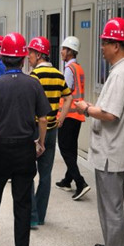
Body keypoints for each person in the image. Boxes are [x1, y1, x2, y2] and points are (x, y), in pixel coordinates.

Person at [0, 32, 51, 246]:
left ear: (3, 56)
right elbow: (43, 119)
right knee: (22, 204)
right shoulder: (33, 84)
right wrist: (41, 142)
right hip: (24, 151)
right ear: (23, 58)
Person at [74, 17, 124, 246]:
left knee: (112, 209)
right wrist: (94, 107)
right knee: (111, 206)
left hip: (112, 152)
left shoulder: (121, 74)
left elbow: (111, 114)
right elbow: (111, 108)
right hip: (116, 150)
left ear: (117, 45)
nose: (101, 48)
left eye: (105, 43)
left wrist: (86, 109)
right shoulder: (123, 70)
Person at [27, 36, 73, 228]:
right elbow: (69, 97)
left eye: (30, 53)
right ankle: (40, 216)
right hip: (52, 130)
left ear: (39, 54)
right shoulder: (59, 75)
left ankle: (31, 217)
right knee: (45, 175)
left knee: (28, 173)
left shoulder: (34, 76)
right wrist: (62, 117)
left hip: (35, 131)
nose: (28, 56)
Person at [55, 36, 91, 200]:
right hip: (78, 115)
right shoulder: (79, 68)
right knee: (72, 149)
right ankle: (67, 180)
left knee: (64, 148)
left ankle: (80, 182)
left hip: (68, 115)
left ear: (70, 51)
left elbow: (66, 92)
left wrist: (60, 117)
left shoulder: (69, 69)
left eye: (64, 49)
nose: (61, 51)